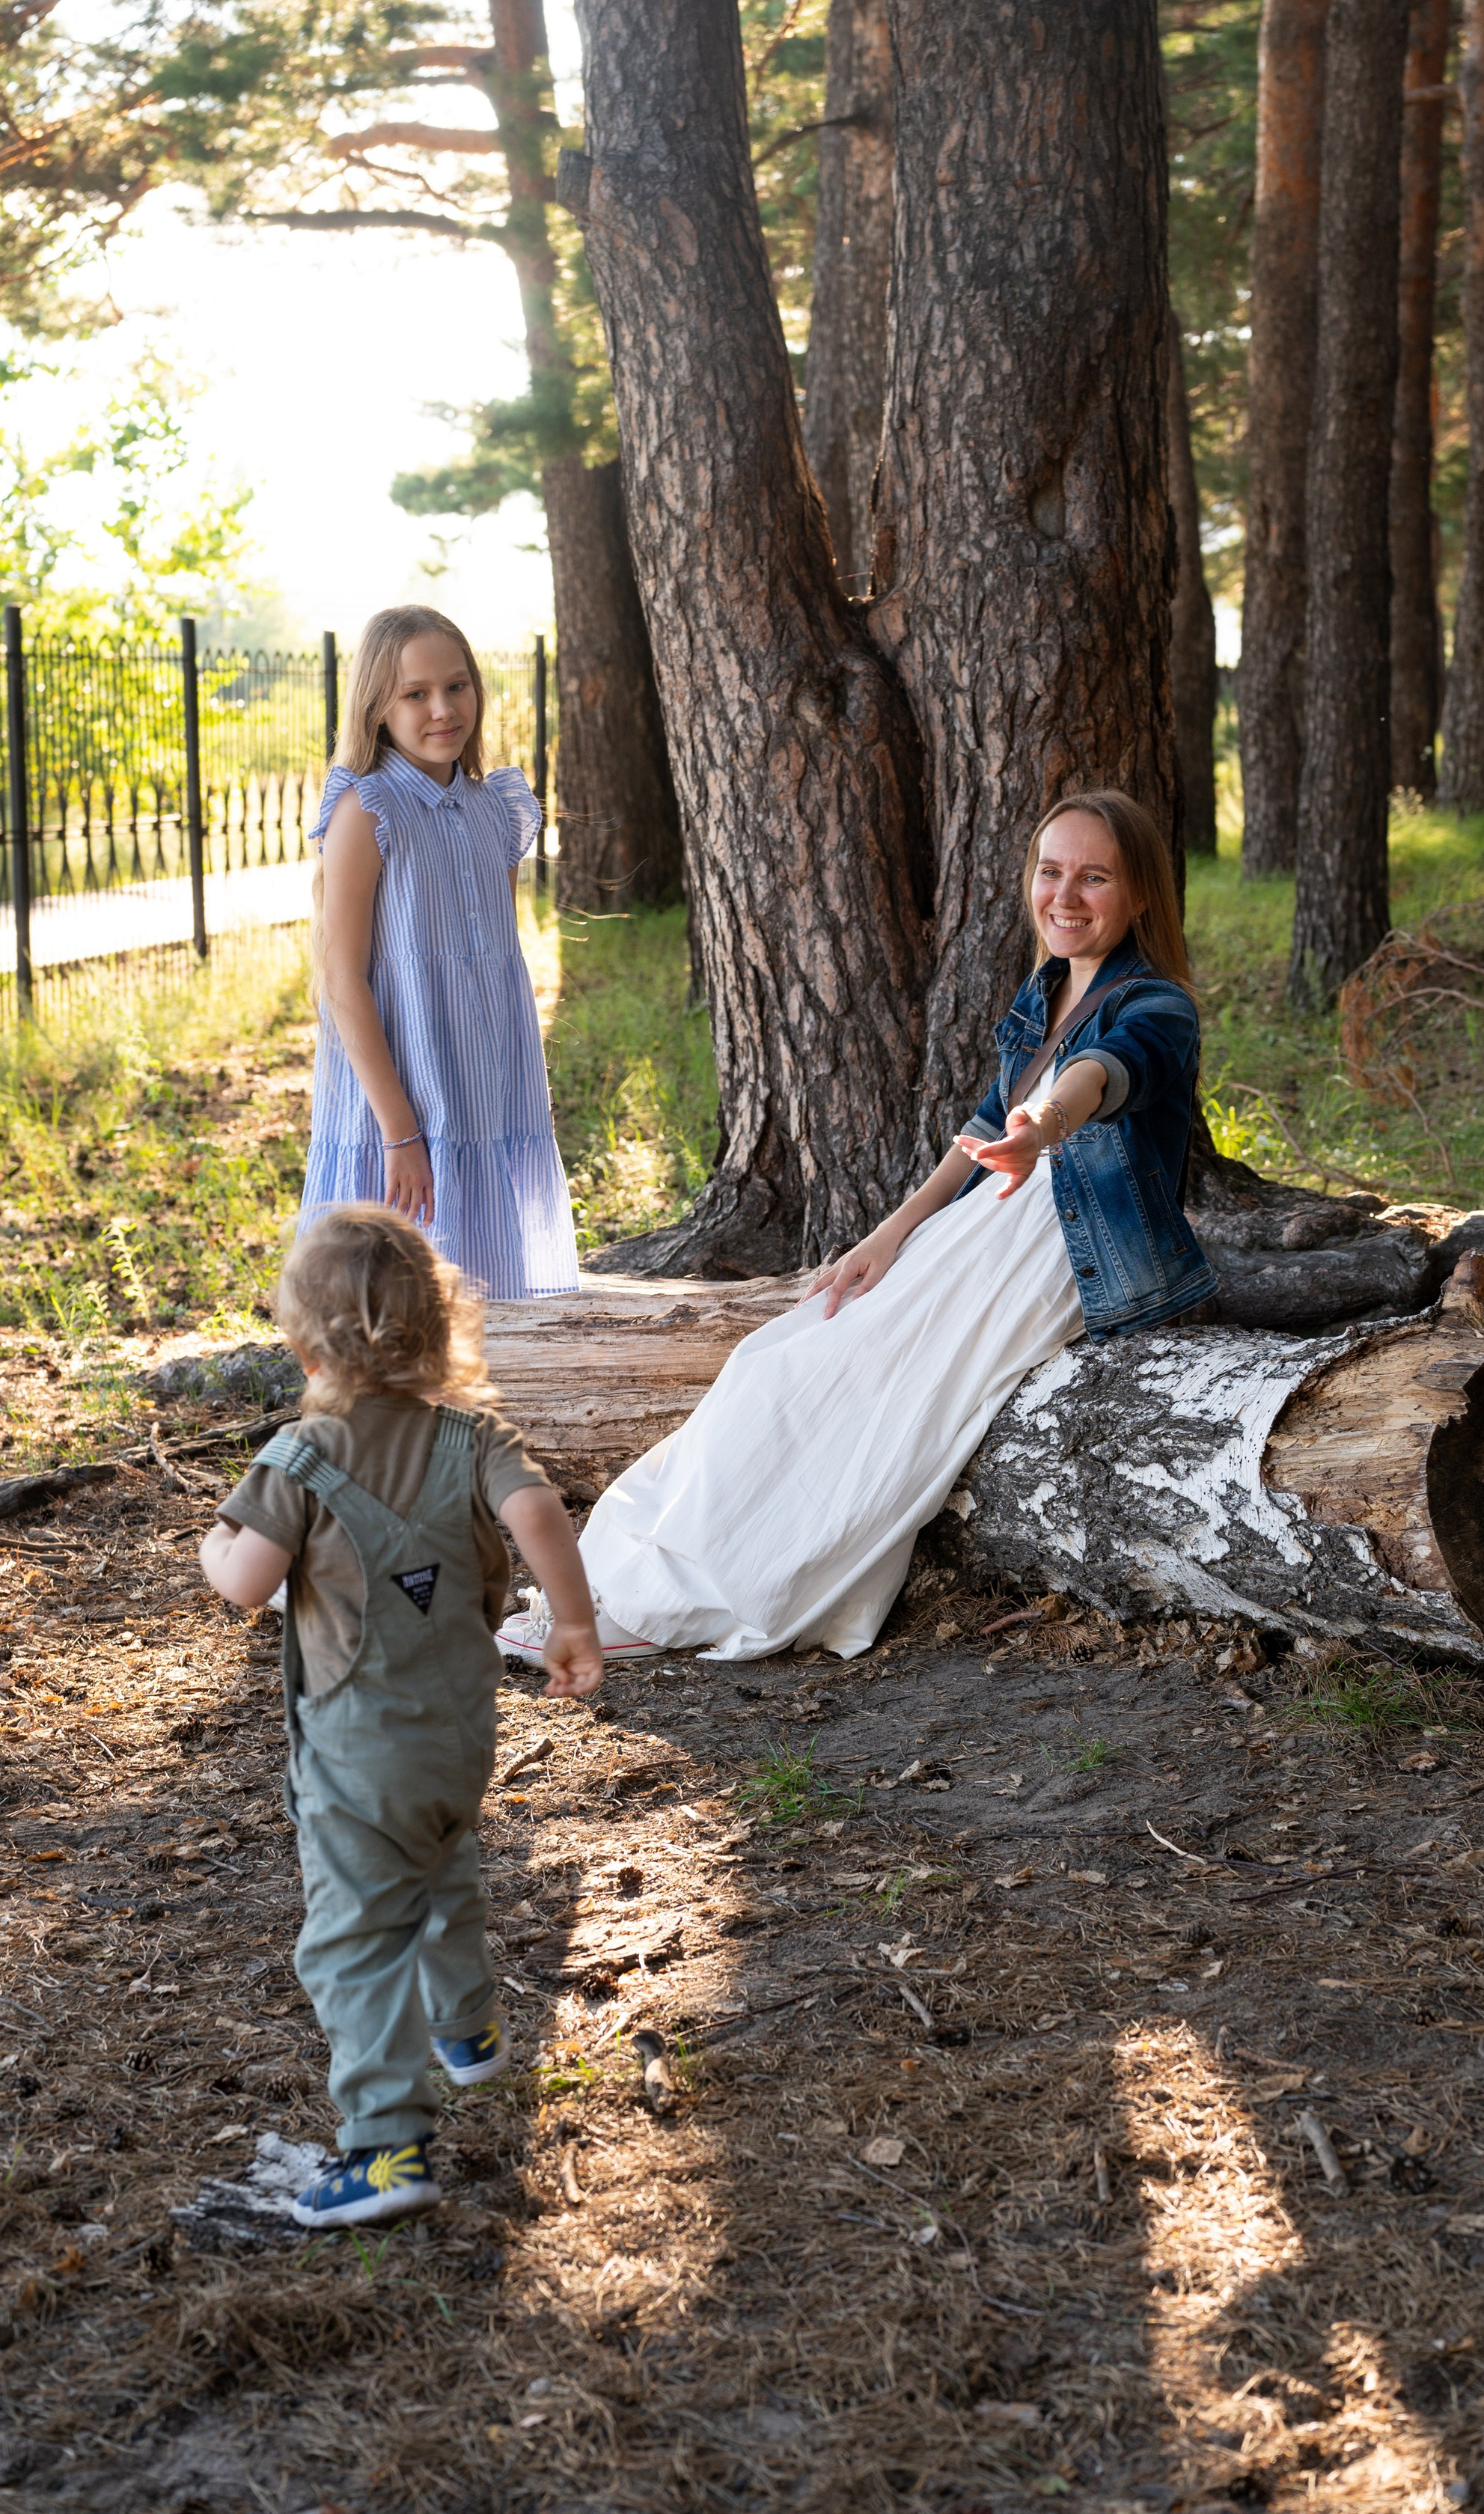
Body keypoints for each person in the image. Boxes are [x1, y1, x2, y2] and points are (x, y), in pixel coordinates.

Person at [501, 786, 1216, 1668]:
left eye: (1094, 877)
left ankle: (690, 1599)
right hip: (987, 1226)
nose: (1064, 896)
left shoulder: (1158, 1006)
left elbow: (1105, 1074)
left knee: (852, 1389)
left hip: (1059, 1252)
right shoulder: (1047, 990)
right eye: (1050, 870)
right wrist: (892, 1233)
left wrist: (1047, 1127)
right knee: (774, 1359)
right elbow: (986, 1128)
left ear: (1140, 894)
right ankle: (623, 1577)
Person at [198, 1203, 604, 2229]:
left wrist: (212, 1543)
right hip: (458, 1737)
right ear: (440, 1326)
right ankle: (466, 2032)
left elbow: (246, 1583)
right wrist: (573, 1625)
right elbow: (542, 1510)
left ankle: (384, 2150)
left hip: (354, 1759)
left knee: (352, 1943)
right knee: (444, 1866)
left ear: (300, 1341)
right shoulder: (474, 1438)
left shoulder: (299, 1458)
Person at [303, 602, 578, 1303]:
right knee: (396, 1291)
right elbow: (343, 982)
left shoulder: (497, 808)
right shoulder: (367, 809)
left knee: (490, 1286)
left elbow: (489, 959)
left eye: (457, 686)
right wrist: (400, 1131)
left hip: (486, 1085)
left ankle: (482, 1401)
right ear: (377, 708)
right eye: (415, 694)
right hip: (398, 1091)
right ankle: (388, 1411)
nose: (442, 709)